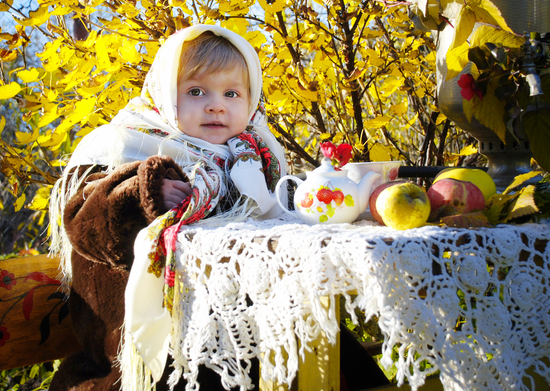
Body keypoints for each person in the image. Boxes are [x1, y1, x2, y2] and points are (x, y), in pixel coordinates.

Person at [47, 25, 390, 391]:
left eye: (231, 93)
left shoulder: (253, 158)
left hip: (248, 332)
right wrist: (146, 193)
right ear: (164, 95)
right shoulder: (126, 144)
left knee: (336, 355)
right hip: (157, 349)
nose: (216, 105)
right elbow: (86, 223)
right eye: (196, 91)